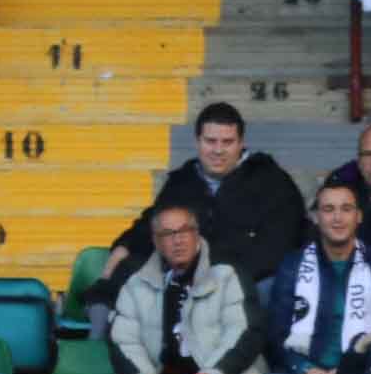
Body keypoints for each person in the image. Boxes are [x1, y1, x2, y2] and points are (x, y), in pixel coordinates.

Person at [99, 103, 306, 309]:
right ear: (198, 142)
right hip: (187, 283)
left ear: (241, 143)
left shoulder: (272, 182)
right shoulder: (182, 182)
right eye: (210, 141)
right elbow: (154, 222)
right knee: (126, 278)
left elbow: (278, 248)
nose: (218, 150)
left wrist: (219, 281)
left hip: (246, 286)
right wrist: (124, 246)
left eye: (227, 142)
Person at [102, 203, 268, 374]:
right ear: (156, 242)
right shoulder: (136, 283)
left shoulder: (226, 273)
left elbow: (244, 333)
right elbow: (123, 340)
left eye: (185, 231)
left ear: (197, 234)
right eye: (168, 234)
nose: (178, 240)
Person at [256, 178, 371, 374]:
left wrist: (348, 369)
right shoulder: (293, 264)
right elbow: (277, 333)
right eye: (328, 209)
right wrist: (305, 369)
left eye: (346, 209)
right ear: (315, 217)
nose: (338, 218)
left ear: (359, 216)